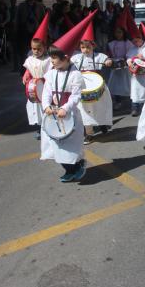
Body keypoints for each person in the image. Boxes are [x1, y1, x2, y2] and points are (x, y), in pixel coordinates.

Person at [40, 26, 87, 183]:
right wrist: (46, 105)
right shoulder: (51, 73)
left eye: (54, 58)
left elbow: (76, 96)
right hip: (53, 114)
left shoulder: (75, 75)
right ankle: (69, 169)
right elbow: (46, 91)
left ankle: (76, 166)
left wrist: (65, 108)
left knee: (71, 146)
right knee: (56, 147)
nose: (51, 61)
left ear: (66, 58)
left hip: (69, 114)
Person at [71, 24, 114, 144]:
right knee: (84, 110)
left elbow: (106, 59)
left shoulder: (99, 56)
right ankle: (89, 133)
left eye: (88, 47)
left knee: (100, 107)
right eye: (83, 47)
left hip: (97, 86)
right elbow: (68, 64)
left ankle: (102, 124)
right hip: (82, 88)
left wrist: (108, 61)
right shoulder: (76, 58)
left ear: (93, 46)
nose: (85, 50)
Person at [22, 13, 51, 140]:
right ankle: (39, 128)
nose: (36, 51)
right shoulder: (30, 58)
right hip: (34, 87)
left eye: (39, 49)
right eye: (34, 49)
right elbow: (28, 69)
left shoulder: (48, 60)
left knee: (45, 106)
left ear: (44, 48)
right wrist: (26, 75)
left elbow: (51, 73)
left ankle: (48, 127)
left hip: (44, 86)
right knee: (35, 108)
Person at [14, 0, 45, 73]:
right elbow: (17, 19)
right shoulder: (22, 5)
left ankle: (37, 68)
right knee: (24, 51)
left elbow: (43, 19)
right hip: (24, 31)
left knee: (36, 50)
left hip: (36, 31)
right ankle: (24, 69)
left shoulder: (40, 6)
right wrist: (16, 31)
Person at [126, 23, 145, 117]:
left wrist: (143, 56)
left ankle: (144, 107)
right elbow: (128, 56)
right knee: (135, 90)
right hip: (135, 74)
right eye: (134, 42)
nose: (136, 43)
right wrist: (129, 61)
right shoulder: (133, 48)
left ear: (141, 39)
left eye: (137, 41)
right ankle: (135, 107)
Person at [107, 25, 132, 110]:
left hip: (124, 67)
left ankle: (130, 100)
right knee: (115, 84)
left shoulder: (128, 43)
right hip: (115, 66)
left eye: (120, 32)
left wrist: (125, 60)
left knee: (126, 83)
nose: (118, 34)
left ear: (123, 33)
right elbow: (109, 54)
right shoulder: (111, 43)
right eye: (116, 32)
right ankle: (117, 101)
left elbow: (130, 54)